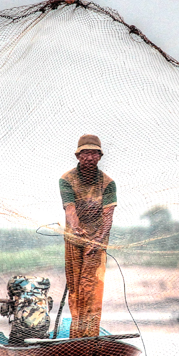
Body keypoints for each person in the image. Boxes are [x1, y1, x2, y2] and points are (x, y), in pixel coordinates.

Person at [60, 134, 116, 338]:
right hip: (74, 239)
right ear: (78, 155)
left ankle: (90, 337)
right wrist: (75, 229)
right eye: (86, 153)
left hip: (98, 240)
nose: (90, 157)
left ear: (100, 156)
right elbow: (69, 208)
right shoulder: (67, 179)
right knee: (75, 289)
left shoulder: (108, 183)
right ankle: (76, 336)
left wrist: (99, 240)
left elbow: (108, 216)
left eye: (94, 153)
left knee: (91, 288)